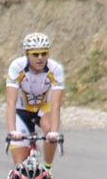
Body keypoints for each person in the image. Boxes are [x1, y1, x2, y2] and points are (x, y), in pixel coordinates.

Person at [5, 32, 65, 168]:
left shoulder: (55, 69)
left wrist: (54, 132)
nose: (40, 58)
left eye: (44, 54)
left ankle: (47, 168)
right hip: (21, 110)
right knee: (20, 166)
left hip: (43, 109)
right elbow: (11, 102)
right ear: (27, 54)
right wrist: (12, 130)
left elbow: (56, 104)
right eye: (35, 54)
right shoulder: (17, 66)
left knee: (49, 128)